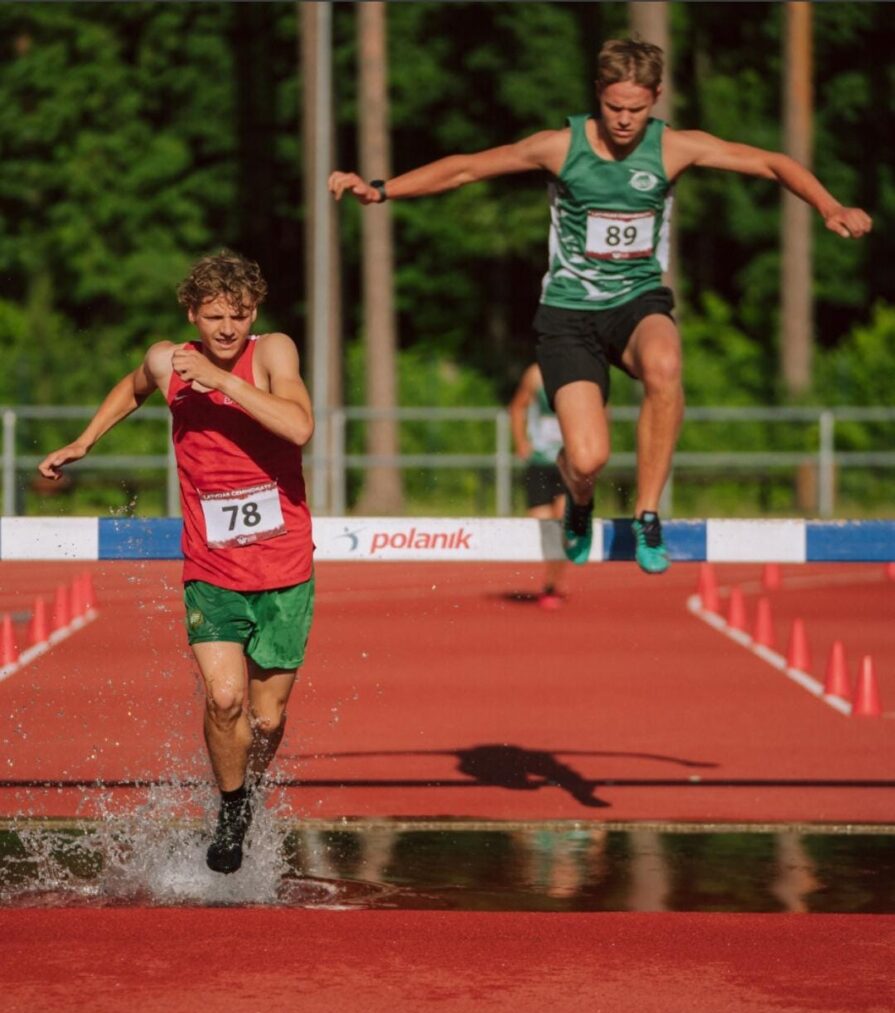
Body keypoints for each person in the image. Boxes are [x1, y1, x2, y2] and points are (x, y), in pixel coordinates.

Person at [329, 38, 872, 574]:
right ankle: (579, 497)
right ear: (597, 94)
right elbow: (468, 168)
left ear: (655, 97)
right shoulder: (560, 147)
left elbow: (772, 162)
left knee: (665, 363)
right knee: (588, 458)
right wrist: (382, 189)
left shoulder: (674, 147)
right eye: (613, 108)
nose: (624, 120)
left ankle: (648, 514)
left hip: (637, 300)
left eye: (636, 109)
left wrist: (829, 206)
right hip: (568, 314)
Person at [38, 250, 315, 875]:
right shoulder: (169, 360)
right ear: (192, 314)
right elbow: (134, 386)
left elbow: (299, 427)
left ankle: (247, 789)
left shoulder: (273, 352)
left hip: (284, 566)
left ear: (254, 313)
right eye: (214, 316)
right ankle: (232, 808)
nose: (227, 328)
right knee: (224, 698)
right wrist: (85, 439)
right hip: (211, 568)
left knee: (266, 717)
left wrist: (223, 381)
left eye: (238, 315)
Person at [508, 363, 566, 608]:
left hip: (568, 463)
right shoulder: (535, 374)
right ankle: (551, 577)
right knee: (544, 526)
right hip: (540, 462)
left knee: (563, 524)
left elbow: (602, 412)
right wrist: (521, 441)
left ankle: (551, 585)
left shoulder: (583, 368)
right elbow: (517, 407)